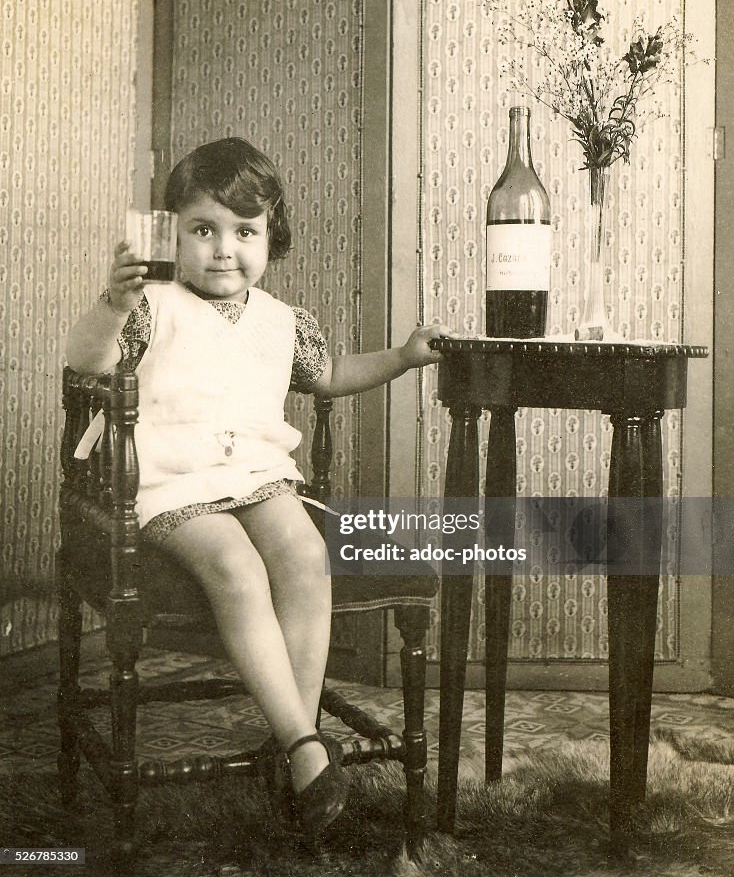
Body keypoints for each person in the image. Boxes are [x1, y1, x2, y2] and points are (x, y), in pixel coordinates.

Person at [66, 136, 450, 842]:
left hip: (259, 476)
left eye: (245, 232)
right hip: (172, 478)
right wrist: (111, 303)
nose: (223, 250)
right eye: (203, 230)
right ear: (173, 235)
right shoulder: (151, 305)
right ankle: (307, 747)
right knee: (237, 570)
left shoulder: (283, 321)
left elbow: (330, 375)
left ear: (273, 236)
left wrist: (400, 358)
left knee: (304, 558)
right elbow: (87, 362)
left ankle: (292, 745)